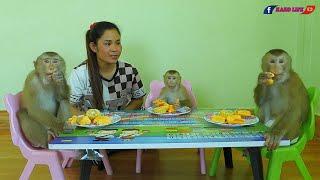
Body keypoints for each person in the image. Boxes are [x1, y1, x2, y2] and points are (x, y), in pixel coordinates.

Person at [69, 21, 146, 180]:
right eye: (108, 43)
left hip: (121, 124)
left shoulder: (129, 70)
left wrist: (121, 117)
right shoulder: (80, 74)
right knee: (88, 150)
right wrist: (89, 123)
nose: (115, 48)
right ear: (93, 47)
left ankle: (109, 149)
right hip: (90, 129)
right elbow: (69, 105)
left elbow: (139, 98)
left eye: (118, 42)